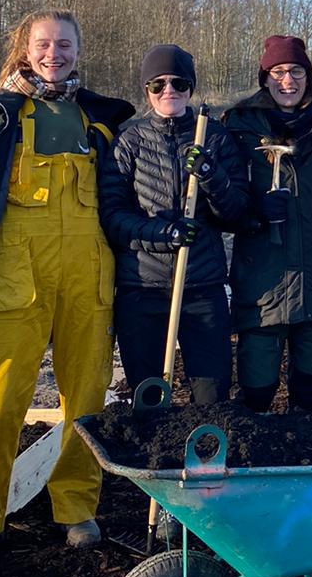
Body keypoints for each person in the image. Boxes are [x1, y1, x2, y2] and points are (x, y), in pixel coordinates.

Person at [0, 10, 134, 570]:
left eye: (64, 44)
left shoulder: (102, 118)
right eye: (43, 44)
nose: (53, 53)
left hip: (88, 278)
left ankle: (76, 509)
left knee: (86, 401)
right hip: (13, 282)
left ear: (78, 51)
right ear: (25, 48)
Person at [99, 44, 252, 407]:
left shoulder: (212, 137)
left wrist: (212, 175)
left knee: (211, 393)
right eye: (158, 84)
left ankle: (205, 462)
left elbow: (236, 213)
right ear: (146, 91)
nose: (169, 91)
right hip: (142, 289)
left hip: (203, 288)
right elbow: (112, 217)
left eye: (179, 83)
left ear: (191, 88)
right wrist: (162, 235)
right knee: (147, 395)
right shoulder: (129, 142)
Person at [224, 36, 312, 411]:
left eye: (296, 71)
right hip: (262, 283)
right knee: (256, 391)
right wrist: (255, 213)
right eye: (279, 72)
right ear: (265, 77)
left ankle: (305, 464)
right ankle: (256, 464)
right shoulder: (239, 129)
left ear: (309, 76)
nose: (288, 80)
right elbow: (223, 206)